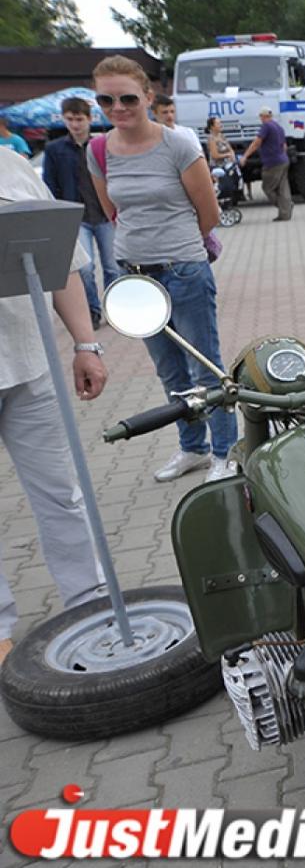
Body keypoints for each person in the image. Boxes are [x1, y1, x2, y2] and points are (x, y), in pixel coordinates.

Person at [87, 54, 236, 483]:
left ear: (148, 97)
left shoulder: (179, 144)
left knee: (203, 365)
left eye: (128, 98)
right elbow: (112, 210)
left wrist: (176, 245)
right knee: (168, 369)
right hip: (134, 276)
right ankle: (193, 448)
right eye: (106, 100)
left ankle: (226, 452)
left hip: (183, 268)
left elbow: (207, 212)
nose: (117, 108)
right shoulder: (98, 150)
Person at [0, 147, 110, 667]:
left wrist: (85, 345)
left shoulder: (12, 165)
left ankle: (89, 604)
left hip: (29, 363)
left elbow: (62, 262)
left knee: (63, 495)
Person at [42, 96, 118, 329]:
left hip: (103, 213)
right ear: (64, 120)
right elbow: (50, 184)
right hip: (75, 216)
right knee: (84, 268)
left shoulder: (102, 145)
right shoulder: (54, 149)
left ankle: (115, 311)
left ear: (89, 119)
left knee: (113, 267)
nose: (75, 124)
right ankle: (92, 312)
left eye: (79, 119)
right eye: (70, 119)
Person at [240, 106, 292, 221]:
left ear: (263, 116)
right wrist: (282, 157)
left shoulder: (266, 126)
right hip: (283, 160)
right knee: (283, 187)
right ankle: (285, 212)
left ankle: (285, 208)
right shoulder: (279, 127)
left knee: (267, 188)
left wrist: (245, 156)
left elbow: (256, 143)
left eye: (260, 117)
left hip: (272, 163)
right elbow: (284, 146)